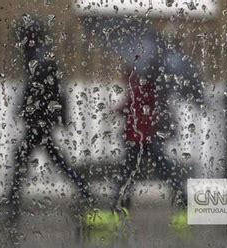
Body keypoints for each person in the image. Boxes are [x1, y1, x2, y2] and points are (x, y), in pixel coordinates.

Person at [83, 17, 205, 228]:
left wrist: (124, 109)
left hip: (144, 134)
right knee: (137, 175)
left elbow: (144, 104)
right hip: (141, 133)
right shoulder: (144, 76)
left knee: (135, 175)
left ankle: (122, 211)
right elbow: (136, 103)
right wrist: (121, 109)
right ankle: (124, 210)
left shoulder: (146, 77)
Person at [5, 15, 96, 223]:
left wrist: (32, 108)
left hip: (40, 117)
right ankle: (84, 190)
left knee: (25, 157)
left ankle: (12, 204)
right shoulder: (36, 54)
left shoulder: (39, 56)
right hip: (41, 116)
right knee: (50, 158)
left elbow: (47, 87)